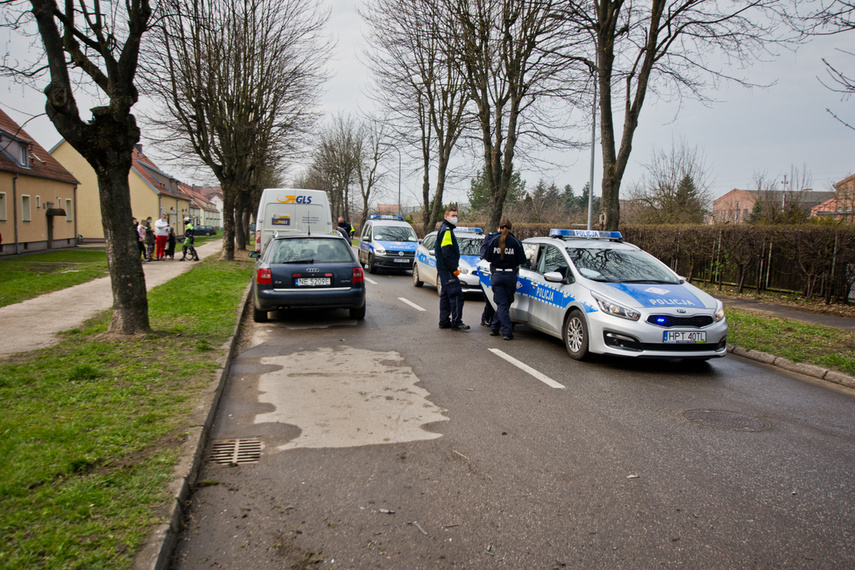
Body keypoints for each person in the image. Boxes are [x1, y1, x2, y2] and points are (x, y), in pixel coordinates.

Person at [483, 219, 526, 340]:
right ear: (511, 229)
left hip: (497, 275)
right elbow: (522, 260)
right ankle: (506, 331)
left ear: (499, 228)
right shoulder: (516, 243)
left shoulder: (493, 241)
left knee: (504, 303)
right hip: (510, 276)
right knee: (504, 303)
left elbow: (487, 257)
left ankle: (495, 327)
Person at [435, 207, 469, 331]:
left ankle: (444, 320)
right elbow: (446, 252)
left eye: (456, 215)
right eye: (453, 215)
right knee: (456, 294)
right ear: (446, 217)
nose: (455, 217)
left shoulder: (444, 229)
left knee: (445, 294)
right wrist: (453, 268)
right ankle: (456, 322)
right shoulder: (447, 230)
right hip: (448, 268)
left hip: (443, 268)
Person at [479, 226, 500, 327]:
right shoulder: (491, 237)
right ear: (498, 228)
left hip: (500, 272)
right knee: (490, 297)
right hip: (489, 270)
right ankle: (486, 318)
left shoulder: (510, 239)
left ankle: (488, 318)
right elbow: (483, 252)